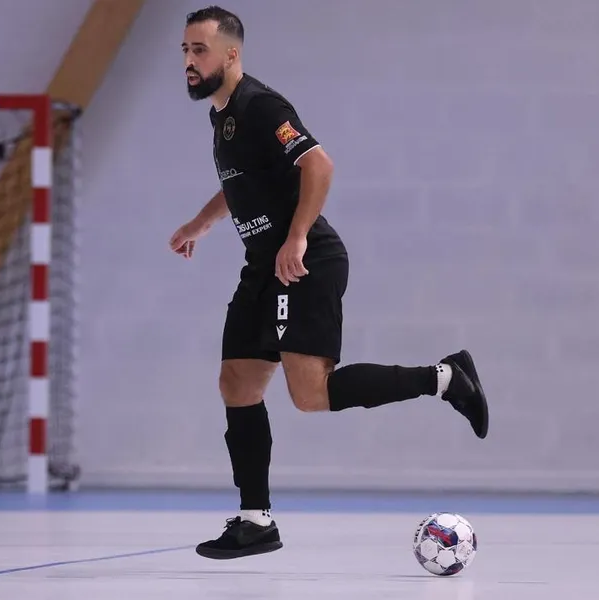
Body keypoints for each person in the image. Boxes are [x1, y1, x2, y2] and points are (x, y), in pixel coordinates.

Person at [170, 6, 491, 561]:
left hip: (305, 259)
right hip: (262, 264)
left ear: (231, 54)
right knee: (237, 384)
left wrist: (295, 239)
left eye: (200, 50)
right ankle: (255, 521)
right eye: (185, 51)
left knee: (310, 394)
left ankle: (445, 378)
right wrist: (200, 223)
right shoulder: (223, 118)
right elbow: (243, 183)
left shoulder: (262, 106)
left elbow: (318, 165)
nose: (190, 61)